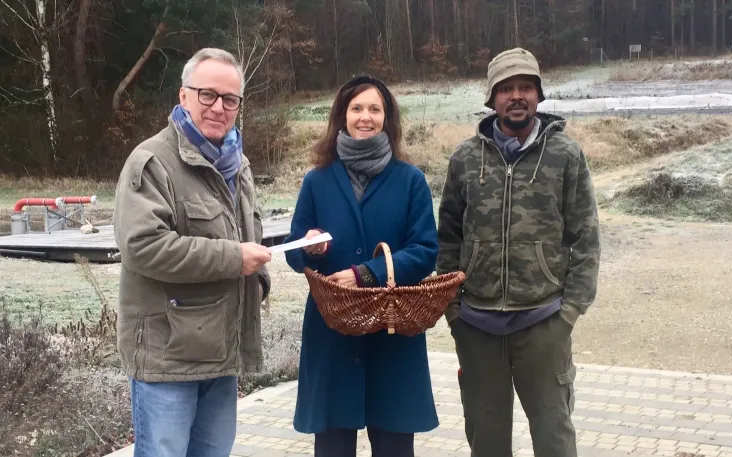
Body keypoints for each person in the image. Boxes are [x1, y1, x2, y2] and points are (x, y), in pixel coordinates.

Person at [436, 47, 601, 457]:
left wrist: (570, 311)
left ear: (538, 95)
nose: (516, 96)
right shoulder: (464, 158)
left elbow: (586, 238)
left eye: (525, 87)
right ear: (491, 98)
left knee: (554, 438)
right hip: (477, 325)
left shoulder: (565, 155)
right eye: (506, 88)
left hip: (544, 322)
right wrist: (453, 309)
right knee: (487, 442)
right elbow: (448, 238)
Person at [112, 47, 273, 457]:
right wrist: (235, 259)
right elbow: (143, 246)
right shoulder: (152, 162)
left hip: (220, 355)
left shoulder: (238, 164)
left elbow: (247, 230)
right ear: (183, 96)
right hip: (168, 361)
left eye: (230, 99)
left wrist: (260, 277)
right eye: (207, 94)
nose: (219, 107)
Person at [283, 75, 439, 457]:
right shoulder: (317, 181)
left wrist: (366, 274)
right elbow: (293, 250)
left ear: (387, 118)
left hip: (393, 331)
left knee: (394, 448)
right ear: (342, 116)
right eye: (357, 108)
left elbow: (425, 250)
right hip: (333, 332)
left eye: (374, 109)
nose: (365, 117)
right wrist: (312, 249)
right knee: (334, 447)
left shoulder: (410, 180)